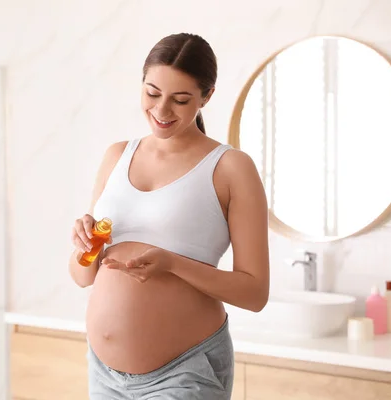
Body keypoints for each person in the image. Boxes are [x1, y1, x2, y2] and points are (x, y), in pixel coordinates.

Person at [68, 32, 270, 399]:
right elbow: (83, 276)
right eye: (152, 93)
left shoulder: (230, 168)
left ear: (206, 97)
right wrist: (86, 244)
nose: (161, 112)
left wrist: (172, 264)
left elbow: (255, 293)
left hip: (184, 372)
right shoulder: (116, 155)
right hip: (102, 373)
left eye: (180, 100)